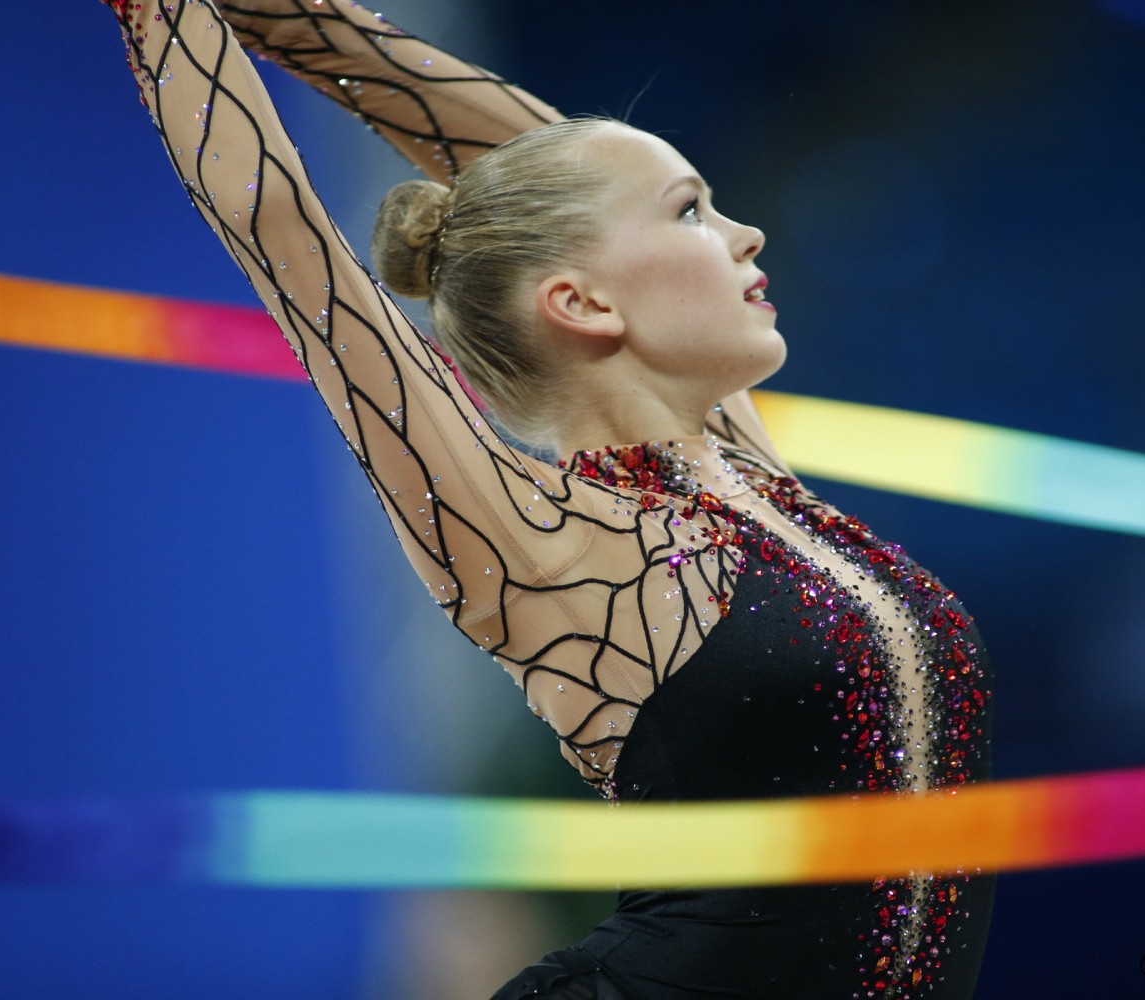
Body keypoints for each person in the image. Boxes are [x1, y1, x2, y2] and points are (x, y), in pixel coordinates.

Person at [102, 0, 994, 995]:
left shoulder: (750, 476)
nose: (746, 233)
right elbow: (281, 227)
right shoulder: (545, 537)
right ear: (582, 301)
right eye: (690, 211)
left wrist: (291, 17)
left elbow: (521, 159)